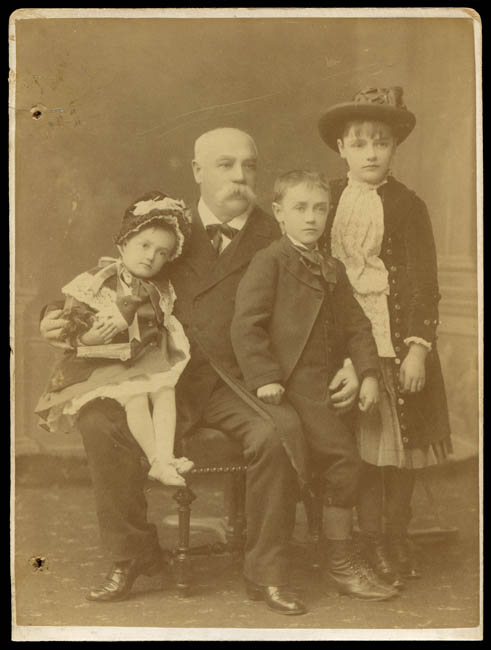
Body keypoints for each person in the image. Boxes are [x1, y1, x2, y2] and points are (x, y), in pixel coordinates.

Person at [38, 128, 362, 614]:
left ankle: (268, 572)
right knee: (98, 420)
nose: (239, 176)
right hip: (161, 376)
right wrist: (51, 315)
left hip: (238, 381)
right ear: (197, 171)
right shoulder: (167, 232)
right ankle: (132, 553)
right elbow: (109, 277)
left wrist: (352, 362)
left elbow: (329, 305)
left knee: (277, 434)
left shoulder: (281, 234)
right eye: (225, 165)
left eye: (249, 166)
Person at [231, 170, 398, 601]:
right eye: (300, 208)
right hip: (290, 386)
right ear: (279, 212)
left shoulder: (331, 267)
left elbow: (357, 325)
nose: (311, 218)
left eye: (320, 209)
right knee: (343, 460)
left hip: (326, 386)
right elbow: (246, 325)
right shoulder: (270, 261)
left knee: (352, 459)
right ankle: (339, 562)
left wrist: (367, 373)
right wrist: (266, 378)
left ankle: (339, 552)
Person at [317, 87, 452, 588]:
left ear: (395, 147)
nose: (371, 153)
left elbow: (423, 284)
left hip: (394, 342)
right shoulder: (326, 199)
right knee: (358, 453)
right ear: (341, 149)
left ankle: (394, 535)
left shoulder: (408, 206)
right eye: (359, 144)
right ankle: (365, 538)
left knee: (398, 450)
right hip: (341, 344)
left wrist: (416, 348)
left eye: (382, 143)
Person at [35, 192, 195, 487]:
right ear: (123, 244)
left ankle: (166, 455)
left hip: (140, 357)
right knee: (136, 397)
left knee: (164, 391)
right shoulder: (97, 281)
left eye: (162, 252)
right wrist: (90, 335)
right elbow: (75, 321)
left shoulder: (159, 288)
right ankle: (156, 460)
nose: (151, 256)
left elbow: (159, 322)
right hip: (103, 361)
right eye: (144, 245)